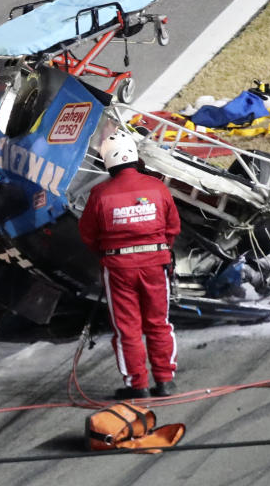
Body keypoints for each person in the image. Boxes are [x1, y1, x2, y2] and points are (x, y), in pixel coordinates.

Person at [78, 132, 182, 399]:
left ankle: (138, 385)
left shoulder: (100, 194)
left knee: (128, 329)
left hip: (119, 268)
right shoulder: (158, 187)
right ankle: (165, 381)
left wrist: (108, 256)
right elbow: (173, 228)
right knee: (159, 324)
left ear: (107, 160)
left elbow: (88, 235)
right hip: (156, 265)